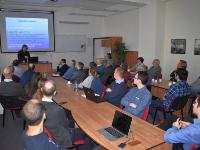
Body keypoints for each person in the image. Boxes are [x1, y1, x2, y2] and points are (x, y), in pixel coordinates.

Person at [41, 80, 95, 149]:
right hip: (62, 136)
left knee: (74, 122)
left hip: (51, 131)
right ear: (54, 93)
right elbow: (65, 126)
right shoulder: (57, 109)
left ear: (42, 90)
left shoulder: (37, 105)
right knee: (88, 133)